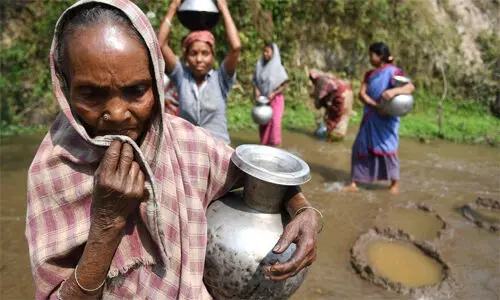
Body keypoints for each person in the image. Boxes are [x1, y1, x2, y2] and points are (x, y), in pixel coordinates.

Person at [25, 1, 321, 298]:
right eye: (90, 94)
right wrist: (107, 224)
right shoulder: (55, 169)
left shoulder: (187, 144)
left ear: (155, 82)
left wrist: (305, 211)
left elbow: (258, 177)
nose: (116, 113)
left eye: (136, 90)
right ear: (64, 88)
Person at [158, 0, 240, 144]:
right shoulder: (181, 76)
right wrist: (173, 7)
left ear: (212, 55)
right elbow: (160, 44)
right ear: (186, 57)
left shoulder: (220, 79)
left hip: (218, 152)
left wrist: (223, 8)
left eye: (205, 53)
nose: (199, 59)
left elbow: (236, 47)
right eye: (193, 53)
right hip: (188, 151)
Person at [344, 42, 415, 194]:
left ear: (380, 56)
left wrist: (393, 92)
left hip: (387, 118)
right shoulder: (370, 74)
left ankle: (394, 184)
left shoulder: (394, 72)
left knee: (388, 148)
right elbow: (362, 93)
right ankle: (354, 182)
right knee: (359, 147)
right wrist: (374, 104)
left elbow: (410, 87)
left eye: (372, 55)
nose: (370, 58)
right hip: (371, 115)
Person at [253, 43, 288, 146]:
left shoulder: (278, 67)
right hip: (263, 100)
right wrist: (256, 90)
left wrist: (274, 93)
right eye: (264, 51)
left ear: (273, 53)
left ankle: (275, 147)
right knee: (263, 123)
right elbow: (255, 81)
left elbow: (284, 85)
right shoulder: (260, 65)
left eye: (267, 51)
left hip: (276, 100)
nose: (265, 54)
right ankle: (264, 146)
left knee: (275, 124)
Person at [309, 69, 353, 141]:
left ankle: (331, 139)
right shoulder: (328, 78)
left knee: (334, 119)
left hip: (340, 96)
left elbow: (318, 104)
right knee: (343, 117)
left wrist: (315, 97)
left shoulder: (320, 81)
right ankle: (339, 136)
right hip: (348, 93)